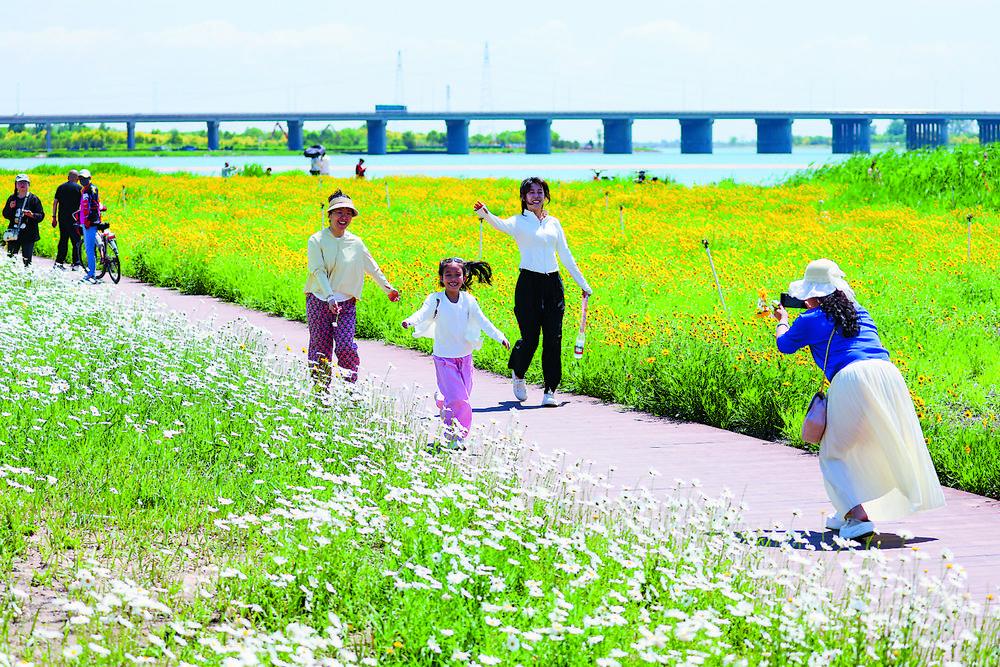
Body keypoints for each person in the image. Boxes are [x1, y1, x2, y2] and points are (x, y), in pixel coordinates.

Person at [773, 259, 945, 540]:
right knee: (874, 442)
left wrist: (782, 321)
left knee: (834, 451)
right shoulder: (859, 311)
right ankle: (846, 512)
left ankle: (856, 516)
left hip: (853, 378)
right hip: (888, 375)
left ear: (811, 294)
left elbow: (784, 345)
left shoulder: (810, 319)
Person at [473, 176, 593, 407]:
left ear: (545, 195)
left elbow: (566, 255)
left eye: (540, 192)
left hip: (553, 285)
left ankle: (550, 391)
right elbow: (499, 224)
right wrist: (486, 214)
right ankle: (518, 373)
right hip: (528, 284)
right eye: (531, 193)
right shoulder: (518, 221)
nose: (536, 196)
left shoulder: (554, 223)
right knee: (530, 338)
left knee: (553, 339)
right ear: (524, 197)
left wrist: (583, 284)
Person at [402, 257, 510, 447]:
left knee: (462, 396)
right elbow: (423, 313)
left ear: (464, 276)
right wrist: (410, 321)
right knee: (460, 400)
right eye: (448, 275)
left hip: (465, 358)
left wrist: (500, 336)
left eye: (457, 274)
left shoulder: (469, 301)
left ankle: (443, 399)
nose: (453, 278)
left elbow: (484, 321)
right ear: (441, 278)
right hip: (444, 358)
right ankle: (455, 436)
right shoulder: (436, 299)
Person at [305, 189, 400, 386]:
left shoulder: (356, 242)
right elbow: (318, 271)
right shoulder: (316, 240)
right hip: (319, 301)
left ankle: (350, 389)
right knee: (320, 348)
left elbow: (371, 266)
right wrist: (330, 297)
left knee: (346, 346)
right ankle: (321, 393)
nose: (344, 217)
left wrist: (388, 289)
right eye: (339, 212)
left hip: (346, 304)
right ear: (330, 215)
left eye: (348, 213)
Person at [3, 174, 45, 266]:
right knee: (10, 259)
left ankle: (27, 278)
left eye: (25, 182)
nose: (22, 184)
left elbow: (41, 216)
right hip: (13, 233)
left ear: (28, 185)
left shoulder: (34, 199)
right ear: (16, 185)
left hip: (29, 234)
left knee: (27, 261)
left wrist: (32, 215)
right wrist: (10, 208)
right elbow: (5, 214)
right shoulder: (12, 198)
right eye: (20, 182)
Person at [76, 169, 105, 285]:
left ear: (90, 178)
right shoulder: (84, 190)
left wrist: (88, 220)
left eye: (85, 178)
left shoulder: (92, 189)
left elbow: (93, 206)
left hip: (90, 222)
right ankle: (91, 271)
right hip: (85, 222)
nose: (83, 180)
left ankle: (91, 273)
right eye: (81, 178)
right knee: (90, 247)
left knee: (89, 249)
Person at [52, 169, 83, 270]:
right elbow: (83, 205)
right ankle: (76, 264)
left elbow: (55, 203)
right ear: (77, 179)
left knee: (63, 240)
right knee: (76, 241)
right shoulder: (79, 188)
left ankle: (59, 263)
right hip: (75, 219)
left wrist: (54, 217)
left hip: (62, 218)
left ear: (68, 177)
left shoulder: (60, 187)